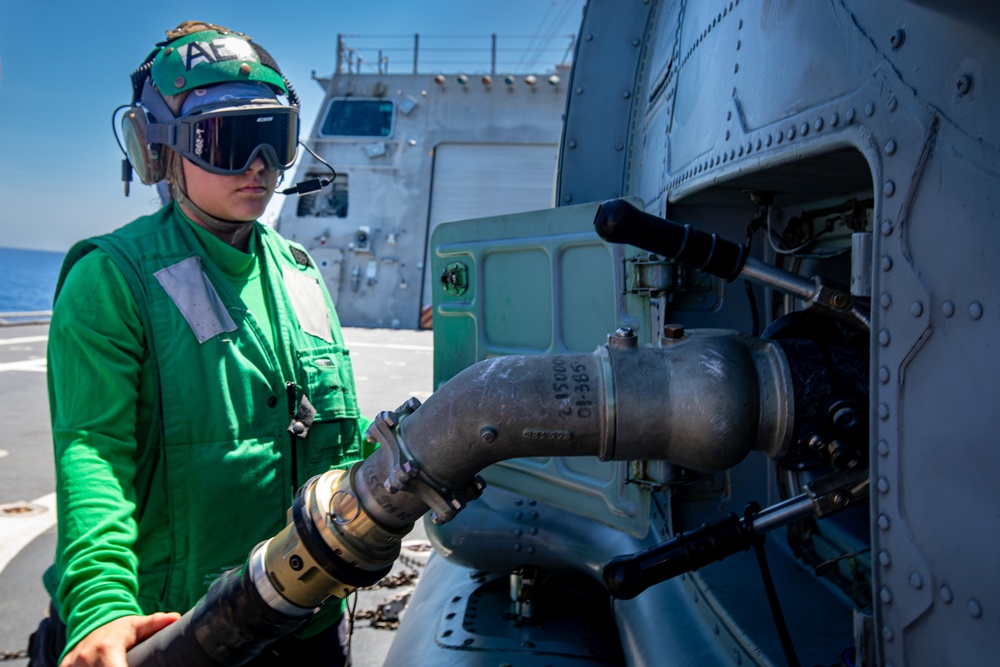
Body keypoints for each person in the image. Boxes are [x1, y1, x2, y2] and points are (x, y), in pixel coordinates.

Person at [30, 21, 372, 667]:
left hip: (305, 626)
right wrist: (102, 605)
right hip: (175, 633)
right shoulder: (111, 276)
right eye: (229, 140)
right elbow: (93, 451)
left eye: (274, 138)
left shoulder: (299, 271)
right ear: (156, 150)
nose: (259, 167)